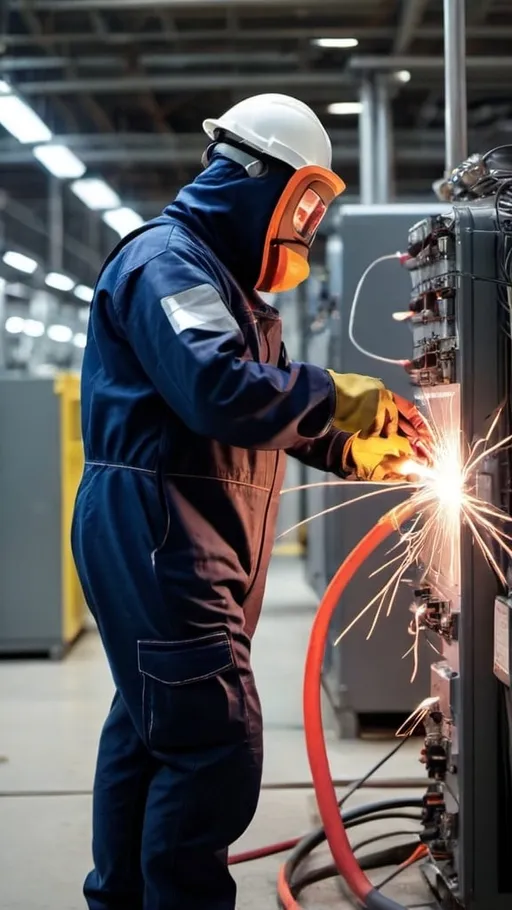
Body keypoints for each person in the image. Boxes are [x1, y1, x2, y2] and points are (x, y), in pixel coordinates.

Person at [72, 93, 430, 910]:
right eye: (303, 203)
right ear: (255, 179)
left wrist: (353, 446)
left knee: (151, 731)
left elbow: (261, 412)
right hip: (167, 536)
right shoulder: (168, 263)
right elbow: (217, 389)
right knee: (213, 747)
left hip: (179, 532)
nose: (304, 227)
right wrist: (342, 400)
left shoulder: (228, 288)